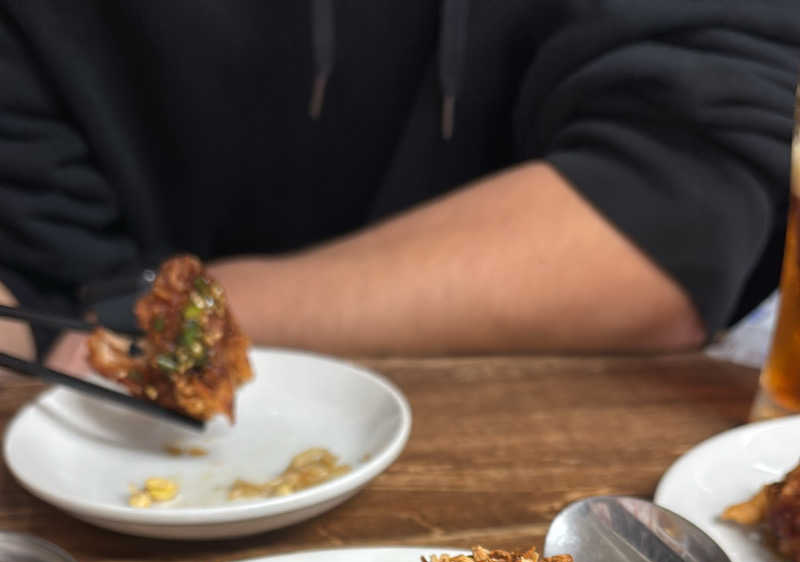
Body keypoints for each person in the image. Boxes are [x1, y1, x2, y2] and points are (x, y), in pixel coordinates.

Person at [1, 0, 799, 369]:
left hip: (551, 442)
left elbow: (682, 216)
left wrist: (191, 315)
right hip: (93, 457)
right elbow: (40, 290)